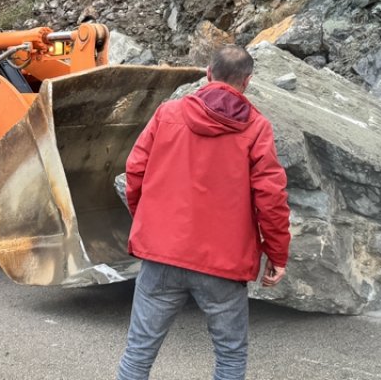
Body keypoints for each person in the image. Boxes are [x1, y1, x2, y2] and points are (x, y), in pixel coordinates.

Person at [116, 44, 291, 380]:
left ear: (208, 74)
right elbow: (271, 197)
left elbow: (135, 171)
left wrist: (148, 224)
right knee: (229, 357)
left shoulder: (168, 114)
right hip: (223, 264)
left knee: (138, 353)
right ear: (247, 82)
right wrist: (277, 254)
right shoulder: (256, 128)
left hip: (162, 255)